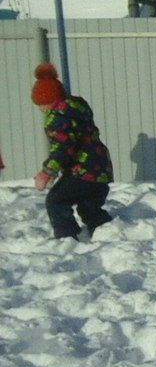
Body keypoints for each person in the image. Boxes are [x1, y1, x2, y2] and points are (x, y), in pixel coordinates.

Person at [30, 63, 114, 240]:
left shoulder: (57, 117)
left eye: (41, 104)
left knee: (56, 201)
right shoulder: (77, 108)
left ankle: (67, 238)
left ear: (49, 100)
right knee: (88, 207)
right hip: (101, 168)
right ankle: (109, 234)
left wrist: (48, 172)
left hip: (82, 170)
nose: (40, 108)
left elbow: (62, 147)